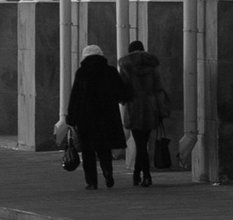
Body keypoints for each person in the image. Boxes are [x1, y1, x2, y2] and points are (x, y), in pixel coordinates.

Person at [63, 45, 131, 189]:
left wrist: (71, 118)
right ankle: (107, 173)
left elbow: (75, 97)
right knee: (104, 148)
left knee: (88, 151)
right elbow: (121, 94)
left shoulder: (82, 73)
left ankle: (92, 182)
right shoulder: (111, 71)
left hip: (86, 118)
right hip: (107, 116)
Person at [120, 38, 168, 186]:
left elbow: (123, 88)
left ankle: (146, 175)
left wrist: (123, 100)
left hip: (134, 106)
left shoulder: (125, 66)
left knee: (139, 143)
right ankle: (137, 175)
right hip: (149, 106)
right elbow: (158, 88)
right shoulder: (152, 66)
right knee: (143, 142)